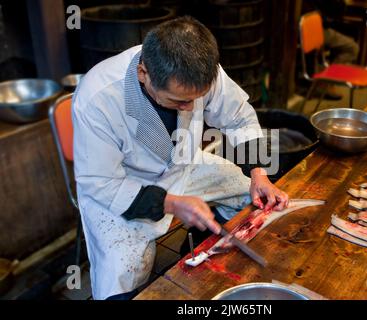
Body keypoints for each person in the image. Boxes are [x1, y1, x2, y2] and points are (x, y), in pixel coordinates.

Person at [72, 16, 288, 300]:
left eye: (197, 99)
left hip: (182, 163)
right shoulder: (97, 98)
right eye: (179, 101)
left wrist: (259, 174)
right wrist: (171, 203)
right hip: (122, 186)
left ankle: (205, 255)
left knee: (249, 197)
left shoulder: (201, 70)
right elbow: (99, 182)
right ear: (143, 74)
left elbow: (239, 119)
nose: (190, 107)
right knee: (122, 274)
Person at [300, 0, 359, 100]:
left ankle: (326, 78)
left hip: (320, 22)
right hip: (315, 26)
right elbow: (337, 8)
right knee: (352, 47)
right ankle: (326, 81)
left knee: (353, 32)